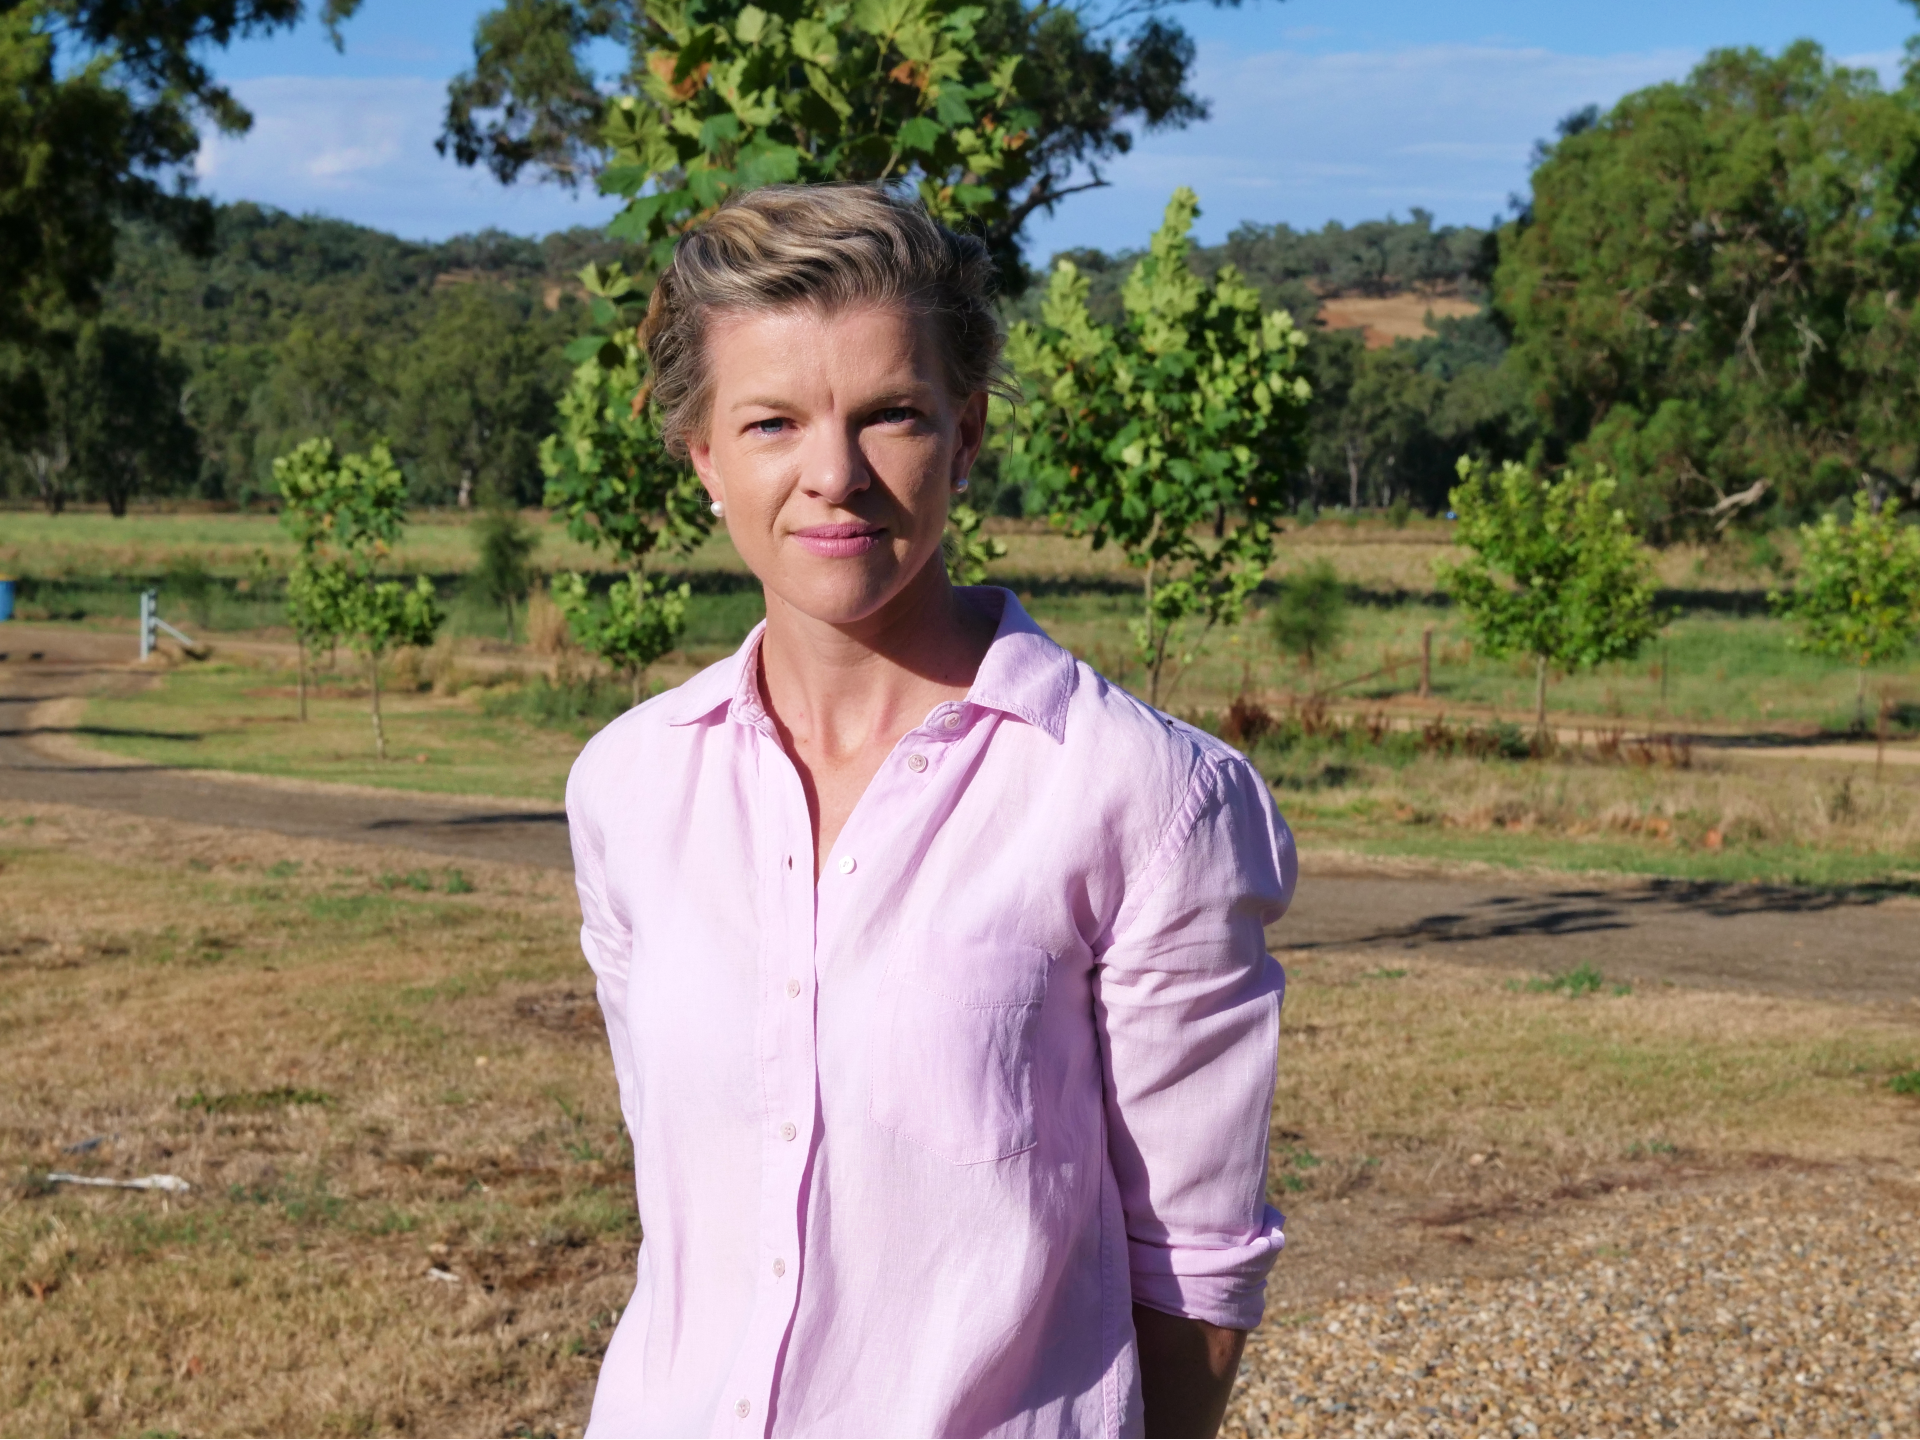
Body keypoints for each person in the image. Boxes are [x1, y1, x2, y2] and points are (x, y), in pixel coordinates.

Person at [566, 184, 1295, 1440]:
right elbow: (684, 1204)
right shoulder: (630, 786)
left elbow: (1198, 1266)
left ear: (964, 437)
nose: (833, 476)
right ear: (702, 458)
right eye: (772, 422)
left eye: (890, 415)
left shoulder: (1143, 797)